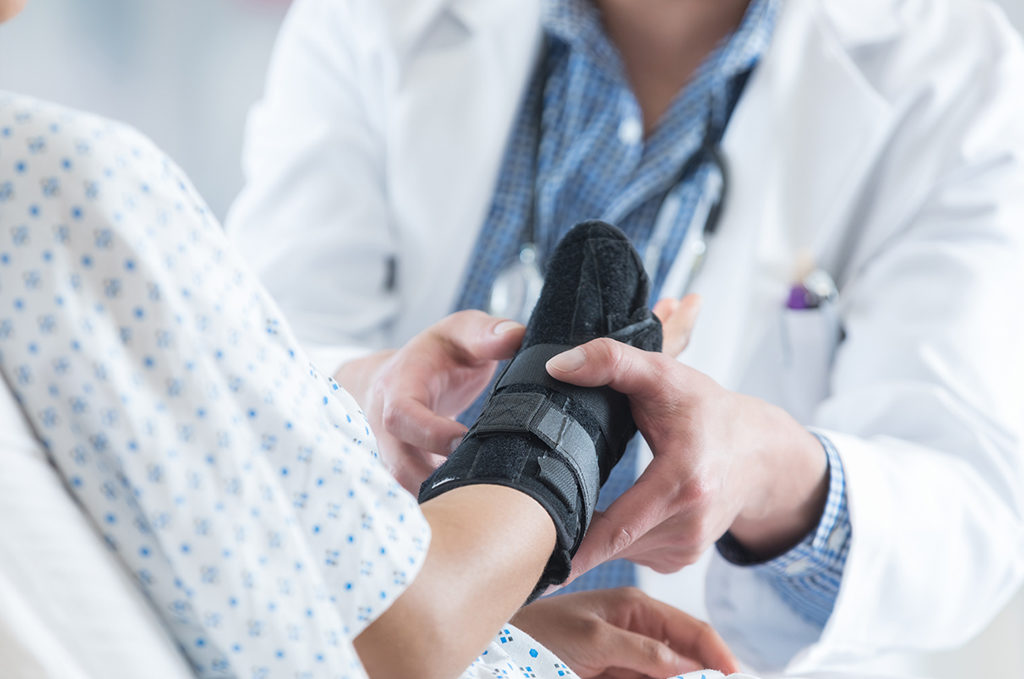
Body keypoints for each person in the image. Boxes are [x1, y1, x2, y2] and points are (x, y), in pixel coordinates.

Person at [226, 0, 1024, 672]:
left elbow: (966, 513)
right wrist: (371, 387)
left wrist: (766, 469)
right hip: (384, 636)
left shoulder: (959, 75)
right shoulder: (373, 19)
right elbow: (252, 362)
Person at [0, 2, 748, 677]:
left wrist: (506, 638)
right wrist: (573, 403)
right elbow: (402, 639)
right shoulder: (48, 175)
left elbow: (137, 592)